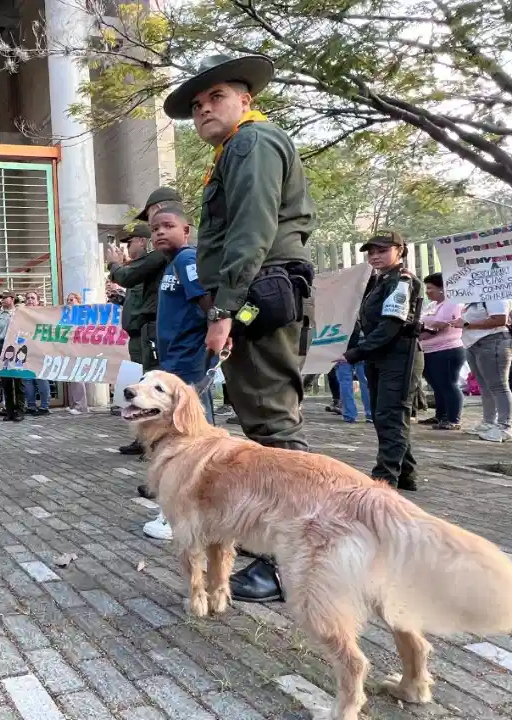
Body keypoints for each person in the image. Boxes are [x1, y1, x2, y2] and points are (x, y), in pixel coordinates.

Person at [164, 53, 316, 603]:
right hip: (253, 291)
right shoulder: (236, 148)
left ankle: (290, 563)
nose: (205, 109)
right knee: (260, 425)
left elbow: (251, 230)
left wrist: (224, 310)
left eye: (216, 97)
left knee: (274, 431)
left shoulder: (252, 143)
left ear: (246, 100)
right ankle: (271, 547)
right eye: (198, 105)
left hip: (259, 290)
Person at [141, 198, 213, 541]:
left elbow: (206, 302)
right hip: (174, 359)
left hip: (188, 358)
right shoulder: (171, 265)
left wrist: (215, 336)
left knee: (189, 436)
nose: (159, 233)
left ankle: (184, 512)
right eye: (155, 229)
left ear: (186, 230)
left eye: (167, 226)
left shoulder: (187, 259)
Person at [340, 232, 424, 491]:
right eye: (371, 252)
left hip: (399, 356)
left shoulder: (401, 281)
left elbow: (391, 325)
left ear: (400, 250)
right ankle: (406, 474)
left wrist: (356, 352)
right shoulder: (379, 281)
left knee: (390, 415)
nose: (375, 256)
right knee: (384, 416)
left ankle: (385, 478)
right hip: (381, 356)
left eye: (382, 250)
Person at [106, 222, 164, 453]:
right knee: (142, 386)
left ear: (141, 241)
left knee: (148, 388)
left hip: (146, 332)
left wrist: (115, 264)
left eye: (129, 242)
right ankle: (143, 439)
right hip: (138, 333)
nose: (127, 247)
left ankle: (150, 441)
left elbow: (128, 280)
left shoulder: (146, 265)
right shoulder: (140, 267)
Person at [457, 298, 512, 443]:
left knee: (499, 385)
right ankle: (489, 421)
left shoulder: (495, 295)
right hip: (474, 343)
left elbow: (500, 319)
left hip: (493, 341)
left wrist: (467, 324)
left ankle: (505, 427)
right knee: (485, 386)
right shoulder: (473, 299)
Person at [418, 273, 466, 430]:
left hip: (446, 350)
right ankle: (440, 415)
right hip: (429, 350)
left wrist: (420, 332)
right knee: (437, 385)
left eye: (430, 288)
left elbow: (439, 324)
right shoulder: (432, 305)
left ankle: (453, 419)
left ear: (442, 289)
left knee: (448, 384)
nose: (427, 292)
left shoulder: (452, 304)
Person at [0, 291, 24, 421]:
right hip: (3, 344)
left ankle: (20, 410)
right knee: (6, 382)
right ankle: (9, 411)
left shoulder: (20, 313)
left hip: (18, 346)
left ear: (13, 298)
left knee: (19, 381)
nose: (3, 300)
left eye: (5, 298)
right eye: (1, 298)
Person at [21, 291, 52, 415]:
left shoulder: (44, 315)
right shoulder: (21, 315)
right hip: (25, 351)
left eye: (33, 298)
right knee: (27, 380)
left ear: (38, 301)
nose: (30, 300)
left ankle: (44, 406)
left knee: (41, 379)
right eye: (28, 298)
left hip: (41, 351)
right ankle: (31, 406)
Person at [62, 292, 89, 414]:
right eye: (68, 300)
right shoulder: (66, 315)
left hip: (79, 348)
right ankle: (74, 404)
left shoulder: (83, 315)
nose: (69, 302)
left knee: (78, 377)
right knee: (71, 377)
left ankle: (81, 406)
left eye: (72, 300)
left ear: (78, 301)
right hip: (69, 348)